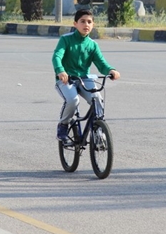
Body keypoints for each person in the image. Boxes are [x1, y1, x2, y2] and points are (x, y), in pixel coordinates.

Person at [51, 9, 120, 141]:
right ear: (75, 23)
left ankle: (99, 132)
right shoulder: (66, 40)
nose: (86, 24)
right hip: (66, 80)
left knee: (97, 99)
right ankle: (63, 125)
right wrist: (60, 70)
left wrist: (111, 70)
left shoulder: (93, 45)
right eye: (82, 21)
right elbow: (57, 56)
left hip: (84, 79)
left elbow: (101, 63)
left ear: (93, 25)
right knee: (73, 100)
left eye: (89, 22)